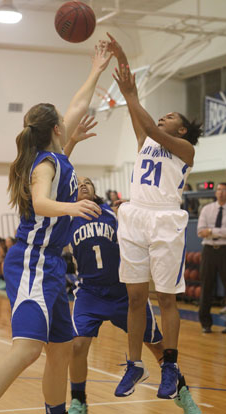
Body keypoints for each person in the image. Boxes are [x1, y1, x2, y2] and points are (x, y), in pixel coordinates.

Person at [0, 43, 113, 414]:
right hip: (33, 260)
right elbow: (42, 201)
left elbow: (77, 104)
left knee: (60, 348)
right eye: (65, 120)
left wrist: (96, 69)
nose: (70, 118)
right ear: (56, 128)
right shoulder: (44, 164)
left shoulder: (58, 157)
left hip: (53, 267)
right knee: (27, 349)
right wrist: (73, 206)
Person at [104, 33, 202, 404]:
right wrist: (123, 53)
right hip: (134, 217)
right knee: (134, 298)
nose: (163, 118)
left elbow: (148, 124)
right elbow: (141, 118)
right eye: (161, 115)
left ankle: (171, 366)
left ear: (181, 130)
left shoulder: (185, 149)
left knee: (167, 299)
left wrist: (133, 97)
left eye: (170, 117)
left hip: (164, 220)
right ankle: (134, 363)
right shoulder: (147, 140)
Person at [67, 176, 201, 414]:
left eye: (88, 182)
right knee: (77, 345)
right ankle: (79, 400)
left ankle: (182, 393)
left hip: (123, 292)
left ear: (96, 190)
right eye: (78, 184)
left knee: (158, 347)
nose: (83, 185)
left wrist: (130, 210)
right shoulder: (67, 219)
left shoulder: (113, 213)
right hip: (89, 293)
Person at [197, 182, 226, 334]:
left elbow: (207, 231)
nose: (220, 192)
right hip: (208, 250)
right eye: (219, 190)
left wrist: (211, 230)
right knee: (206, 287)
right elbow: (200, 231)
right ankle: (205, 323)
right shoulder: (207, 209)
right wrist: (220, 231)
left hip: (224, 250)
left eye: (224, 190)